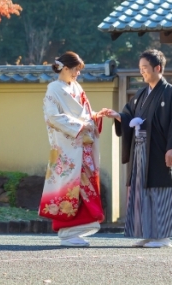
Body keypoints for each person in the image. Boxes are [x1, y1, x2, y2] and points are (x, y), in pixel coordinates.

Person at [105, 49, 172, 248]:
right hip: (141, 151)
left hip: (160, 150)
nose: (142, 72)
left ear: (157, 68)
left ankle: (163, 237)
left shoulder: (171, 93)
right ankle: (149, 234)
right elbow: (129, 115)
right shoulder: (141, 94)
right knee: (142, 191)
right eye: (140, 68)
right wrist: (119, 116)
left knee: (161, 190)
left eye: (145, 68)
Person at [39, 51, 114, 247]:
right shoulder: (53, 89)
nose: (77, 74)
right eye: (75, 70)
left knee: (84, 188)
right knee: (70, 188)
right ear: (64, 68)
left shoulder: (77, 87)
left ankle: (75, 231)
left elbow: (85, 114)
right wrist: (80, 126)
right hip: (68, 148)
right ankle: (67, 232)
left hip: (82, 146)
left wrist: (96, 116)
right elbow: (52, 117)